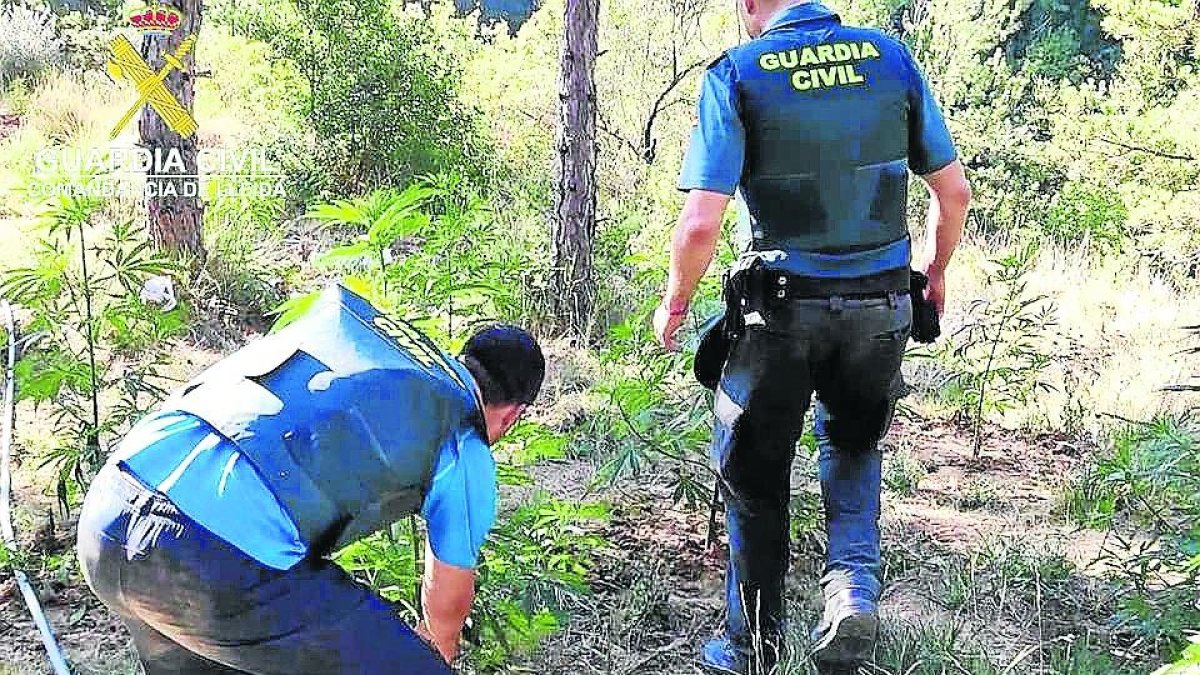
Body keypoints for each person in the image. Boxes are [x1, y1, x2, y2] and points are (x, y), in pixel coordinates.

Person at [653, 1, 972, 672]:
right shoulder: (890, 57)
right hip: (880, 304)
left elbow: (701, 223)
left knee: (754, 471)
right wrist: (934, 272)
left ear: (748, 6)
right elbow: (955, 194)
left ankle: (752, 648)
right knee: (853, 444)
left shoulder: (738, 73)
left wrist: (675, 303)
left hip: (779, 311)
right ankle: (851, 588)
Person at [76, 283, 546, 674]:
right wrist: (430, 660)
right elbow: (447, 602)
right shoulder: (462, 435)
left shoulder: (377, 359)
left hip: (108, 512)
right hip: (209, 561)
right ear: (513, 415)